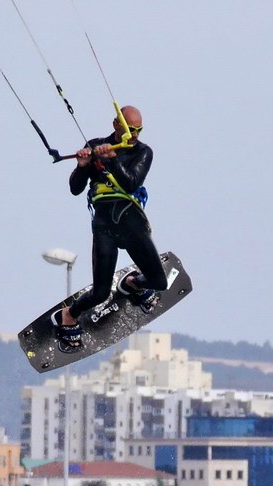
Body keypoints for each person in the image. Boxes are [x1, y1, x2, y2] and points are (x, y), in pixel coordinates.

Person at [54, 105, 168, 350]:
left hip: (131, 221)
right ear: (116, 124)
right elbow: (75, 189)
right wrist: (82, 166)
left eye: (138, 130)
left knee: (159, 281)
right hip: (104, 224)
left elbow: (131, 183)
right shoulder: (96, 145)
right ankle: (69, 315)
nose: (134, 134)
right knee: (100, 293)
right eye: (129, 129)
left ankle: (133, 283)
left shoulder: (143, 152)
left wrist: (113, 159)